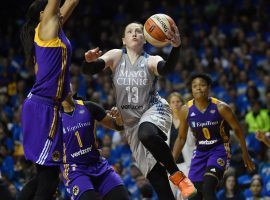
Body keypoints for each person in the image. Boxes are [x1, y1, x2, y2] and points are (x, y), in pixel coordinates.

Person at [82, 22, 197, 199]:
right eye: (130, 31)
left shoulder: (150, 60)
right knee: (156, 177)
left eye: (138, 31)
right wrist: (89, 62)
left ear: (145, 39)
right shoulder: (116, 56)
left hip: (154, 109)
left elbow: (166, 68)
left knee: (147, 134)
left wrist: (176, 47)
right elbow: (90, 70)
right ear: (124, 40)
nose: (134, 34)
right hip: (131, 123)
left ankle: (179, 177)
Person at [19, 0, 79, 199]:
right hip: (43, 108)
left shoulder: (54, 29)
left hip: (45, 107)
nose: (59, 9)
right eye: (54, 8)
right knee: (50, 177)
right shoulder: (45, 28)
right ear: (43, 15)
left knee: (46, 175)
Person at [173, 73, 255, 200]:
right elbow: (181, 138)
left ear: (209, 88)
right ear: (191, 90)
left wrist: (245, 153)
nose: (198, 88)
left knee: (208, 187)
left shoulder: (221, 107)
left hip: (219, 149)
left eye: (202, 85)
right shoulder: (186, 110)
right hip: (200, 151)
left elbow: (238, 130)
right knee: (193, 194)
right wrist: (171, 160)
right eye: (195, 86)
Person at [60, 89, 129, 200]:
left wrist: (119, 118)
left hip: (98, 164)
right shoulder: (53, 117)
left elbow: (117, 125)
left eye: (68, 80)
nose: (66, 85)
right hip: (75, 170)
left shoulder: (88, 106)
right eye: (62, 82)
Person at [167, 92, 196, 199]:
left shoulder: (188, 120)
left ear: (182, 103)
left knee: (187, 196)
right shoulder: (165, 123)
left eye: (178, 101)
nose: (175, 104)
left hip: (187, 163)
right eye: (173, 102)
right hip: (171, 165)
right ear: (169, 105)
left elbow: (193, 141)